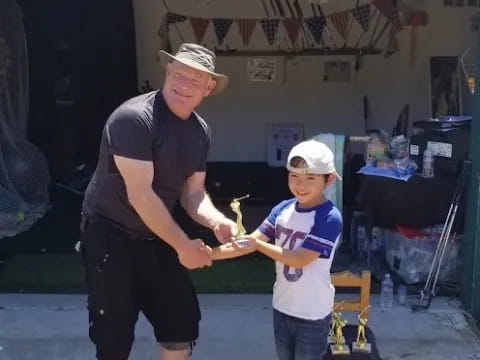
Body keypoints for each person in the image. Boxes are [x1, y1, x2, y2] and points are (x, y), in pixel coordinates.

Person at [80, 43, 243, 360]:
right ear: (168, 71)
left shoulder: (199, 131)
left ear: (208, 88)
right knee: (112, 335)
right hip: (110, 233)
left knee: (179, 323)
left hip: (157, 233)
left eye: (195, 80)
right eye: (179, 74)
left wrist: (215, 220)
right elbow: (140, 195)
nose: (184, 85)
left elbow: (192, 193)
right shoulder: (132, 119)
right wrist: (183, 246)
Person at [245, 140, 343, 360]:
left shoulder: (329, 217)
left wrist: (256, 244)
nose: (301, 185)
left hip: (313, 314)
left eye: (310, 178)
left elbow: (300, 259)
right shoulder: (282, 209)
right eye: (294, 176)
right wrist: (210, 252)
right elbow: (249, 242)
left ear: (329, 179)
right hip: (282, 307)